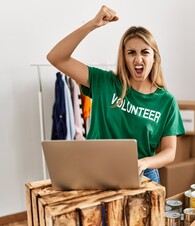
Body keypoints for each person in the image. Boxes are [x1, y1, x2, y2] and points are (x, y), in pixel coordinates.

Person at [47, 5, 185, 183]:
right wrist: (92, 25)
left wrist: (144, 162)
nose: (138, 59)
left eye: (145, 52)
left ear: (154, 57)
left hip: (142, 175)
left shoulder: (166, 101)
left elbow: (169, 152)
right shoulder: (104, 82)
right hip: (96, 171)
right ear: (124, 57)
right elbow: (56, 57)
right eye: (131, 53)